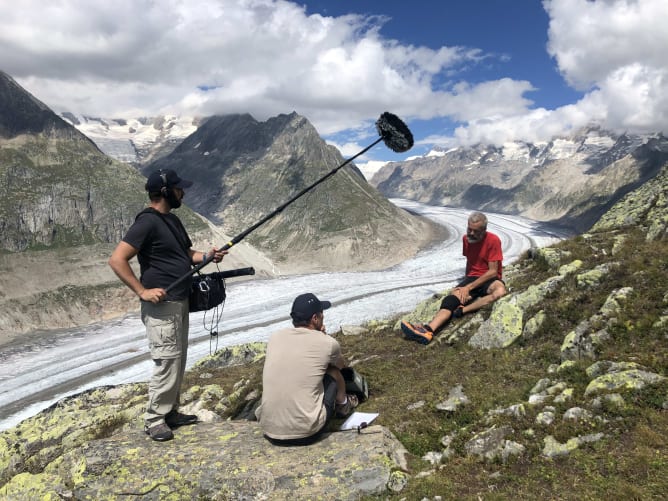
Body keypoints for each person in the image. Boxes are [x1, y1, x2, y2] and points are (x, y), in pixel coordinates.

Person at [108, 168, 227, 441]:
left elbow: (185, 254)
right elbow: (117, 259)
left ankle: (170, 411)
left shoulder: (171, 220)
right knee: (167, 360)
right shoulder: (147, 222)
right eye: (178, 188)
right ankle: (154, 419)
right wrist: (142, 291)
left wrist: (207, 256)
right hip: (162, 305)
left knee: (178, 358)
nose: (182, 192)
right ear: (165, 192)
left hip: (179, 300)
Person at [256, 293, 358, 445]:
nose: (323, 317)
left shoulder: (275, 337)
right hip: (307, 432)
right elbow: (340, 365)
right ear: (315, 319)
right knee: (333, 372)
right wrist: (323, 336)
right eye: (321, 314)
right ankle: (344, 404)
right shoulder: (327, 343)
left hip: (270, 430)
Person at [401, 211, 507, 345]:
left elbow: (493, 271)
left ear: (484, 230)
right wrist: (464, 285)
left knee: (500, 291)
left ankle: (462, 311)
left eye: (476, 231)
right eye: (469, 229)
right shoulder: (466, 239)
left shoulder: (493, 240)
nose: (471, 234)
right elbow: (470, 261)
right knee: (451, 300)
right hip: (472, 278)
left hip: (488, 279)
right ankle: (428, 331)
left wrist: (468, 287)